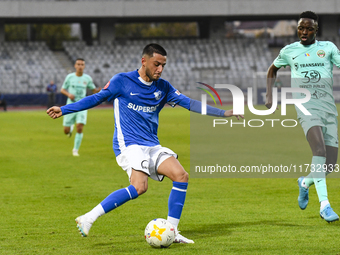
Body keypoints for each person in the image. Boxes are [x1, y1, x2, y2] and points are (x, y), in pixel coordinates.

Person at [47, 43, 242, 243]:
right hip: (128, 144)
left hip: (152, 144)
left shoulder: (163, 87)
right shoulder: (122, 81)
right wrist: (64, 109)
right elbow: (96, 98)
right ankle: (88, 217)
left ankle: (172, 231)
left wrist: (223, 113)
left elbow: (189, 103)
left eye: (163, 65)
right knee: (139, 187)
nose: (160, 69)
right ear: (144, 61)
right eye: (156, 64)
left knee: (181, 176)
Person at [266, 11, 339, 222]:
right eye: (301, 28)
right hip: (305, 106)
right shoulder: (289, 51)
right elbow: (272, 69)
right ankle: (325, 205)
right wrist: (270, 94)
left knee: (331, 165)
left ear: (316, 30)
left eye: (308, 28)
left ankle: (305, 183)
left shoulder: (328, 48)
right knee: (319, 150)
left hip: (328, 109)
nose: (304, 32)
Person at [60, 58, 100, 156]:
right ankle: (70, 129)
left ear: (84, 66)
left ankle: (75, 150)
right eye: (78, 64)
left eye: (82, 64)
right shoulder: (70, 77)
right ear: (75, 66)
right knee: (66, 131)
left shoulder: (87, 78)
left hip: (82, 106)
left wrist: (100, 90)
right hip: (70, 105)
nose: (80, 66)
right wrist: (69, 94)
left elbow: (94, 90)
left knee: (80, 127)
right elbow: (62, 89)